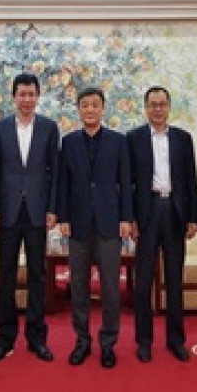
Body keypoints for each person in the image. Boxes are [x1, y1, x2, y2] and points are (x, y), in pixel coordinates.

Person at [57, 87, 133, 369]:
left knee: (111, 288)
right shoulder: (69, 142)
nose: (90, 109)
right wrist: (64, 218)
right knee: (78, 286)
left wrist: (126, 218)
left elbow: (126, 182)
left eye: (95, 105)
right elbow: (63, 183)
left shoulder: (118, 141)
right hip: (77, 224)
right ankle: (82, 341)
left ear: (103, 108)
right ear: (78, 109)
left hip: (109, 223)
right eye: (85, 105)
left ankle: (108, 343)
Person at [0, 73, 59, 363]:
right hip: (7, 211)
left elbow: (54, 171)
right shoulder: (0, 128)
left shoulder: (49, 127)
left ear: (37, 97)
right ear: (14, 97)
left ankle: (37, 338)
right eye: (22, 94)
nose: (27, 99)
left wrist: (52, 208)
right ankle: (4, 338)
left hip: (37, 211)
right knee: (6, 274)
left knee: (37, 275)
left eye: (32, 94)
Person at [126, 86, 197, 363]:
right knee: (143, 282)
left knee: (174, 280)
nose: (157, 109)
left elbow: (191, 180)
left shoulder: (183, 138)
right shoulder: (133, 138)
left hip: (175, 212)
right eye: (153, 104)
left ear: (169, 107)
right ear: (146, 108)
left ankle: (176, 340)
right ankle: (144, 342)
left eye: (162, 104)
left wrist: (193, 217)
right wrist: (130, 217)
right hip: (146, 213)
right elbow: (127, 182)